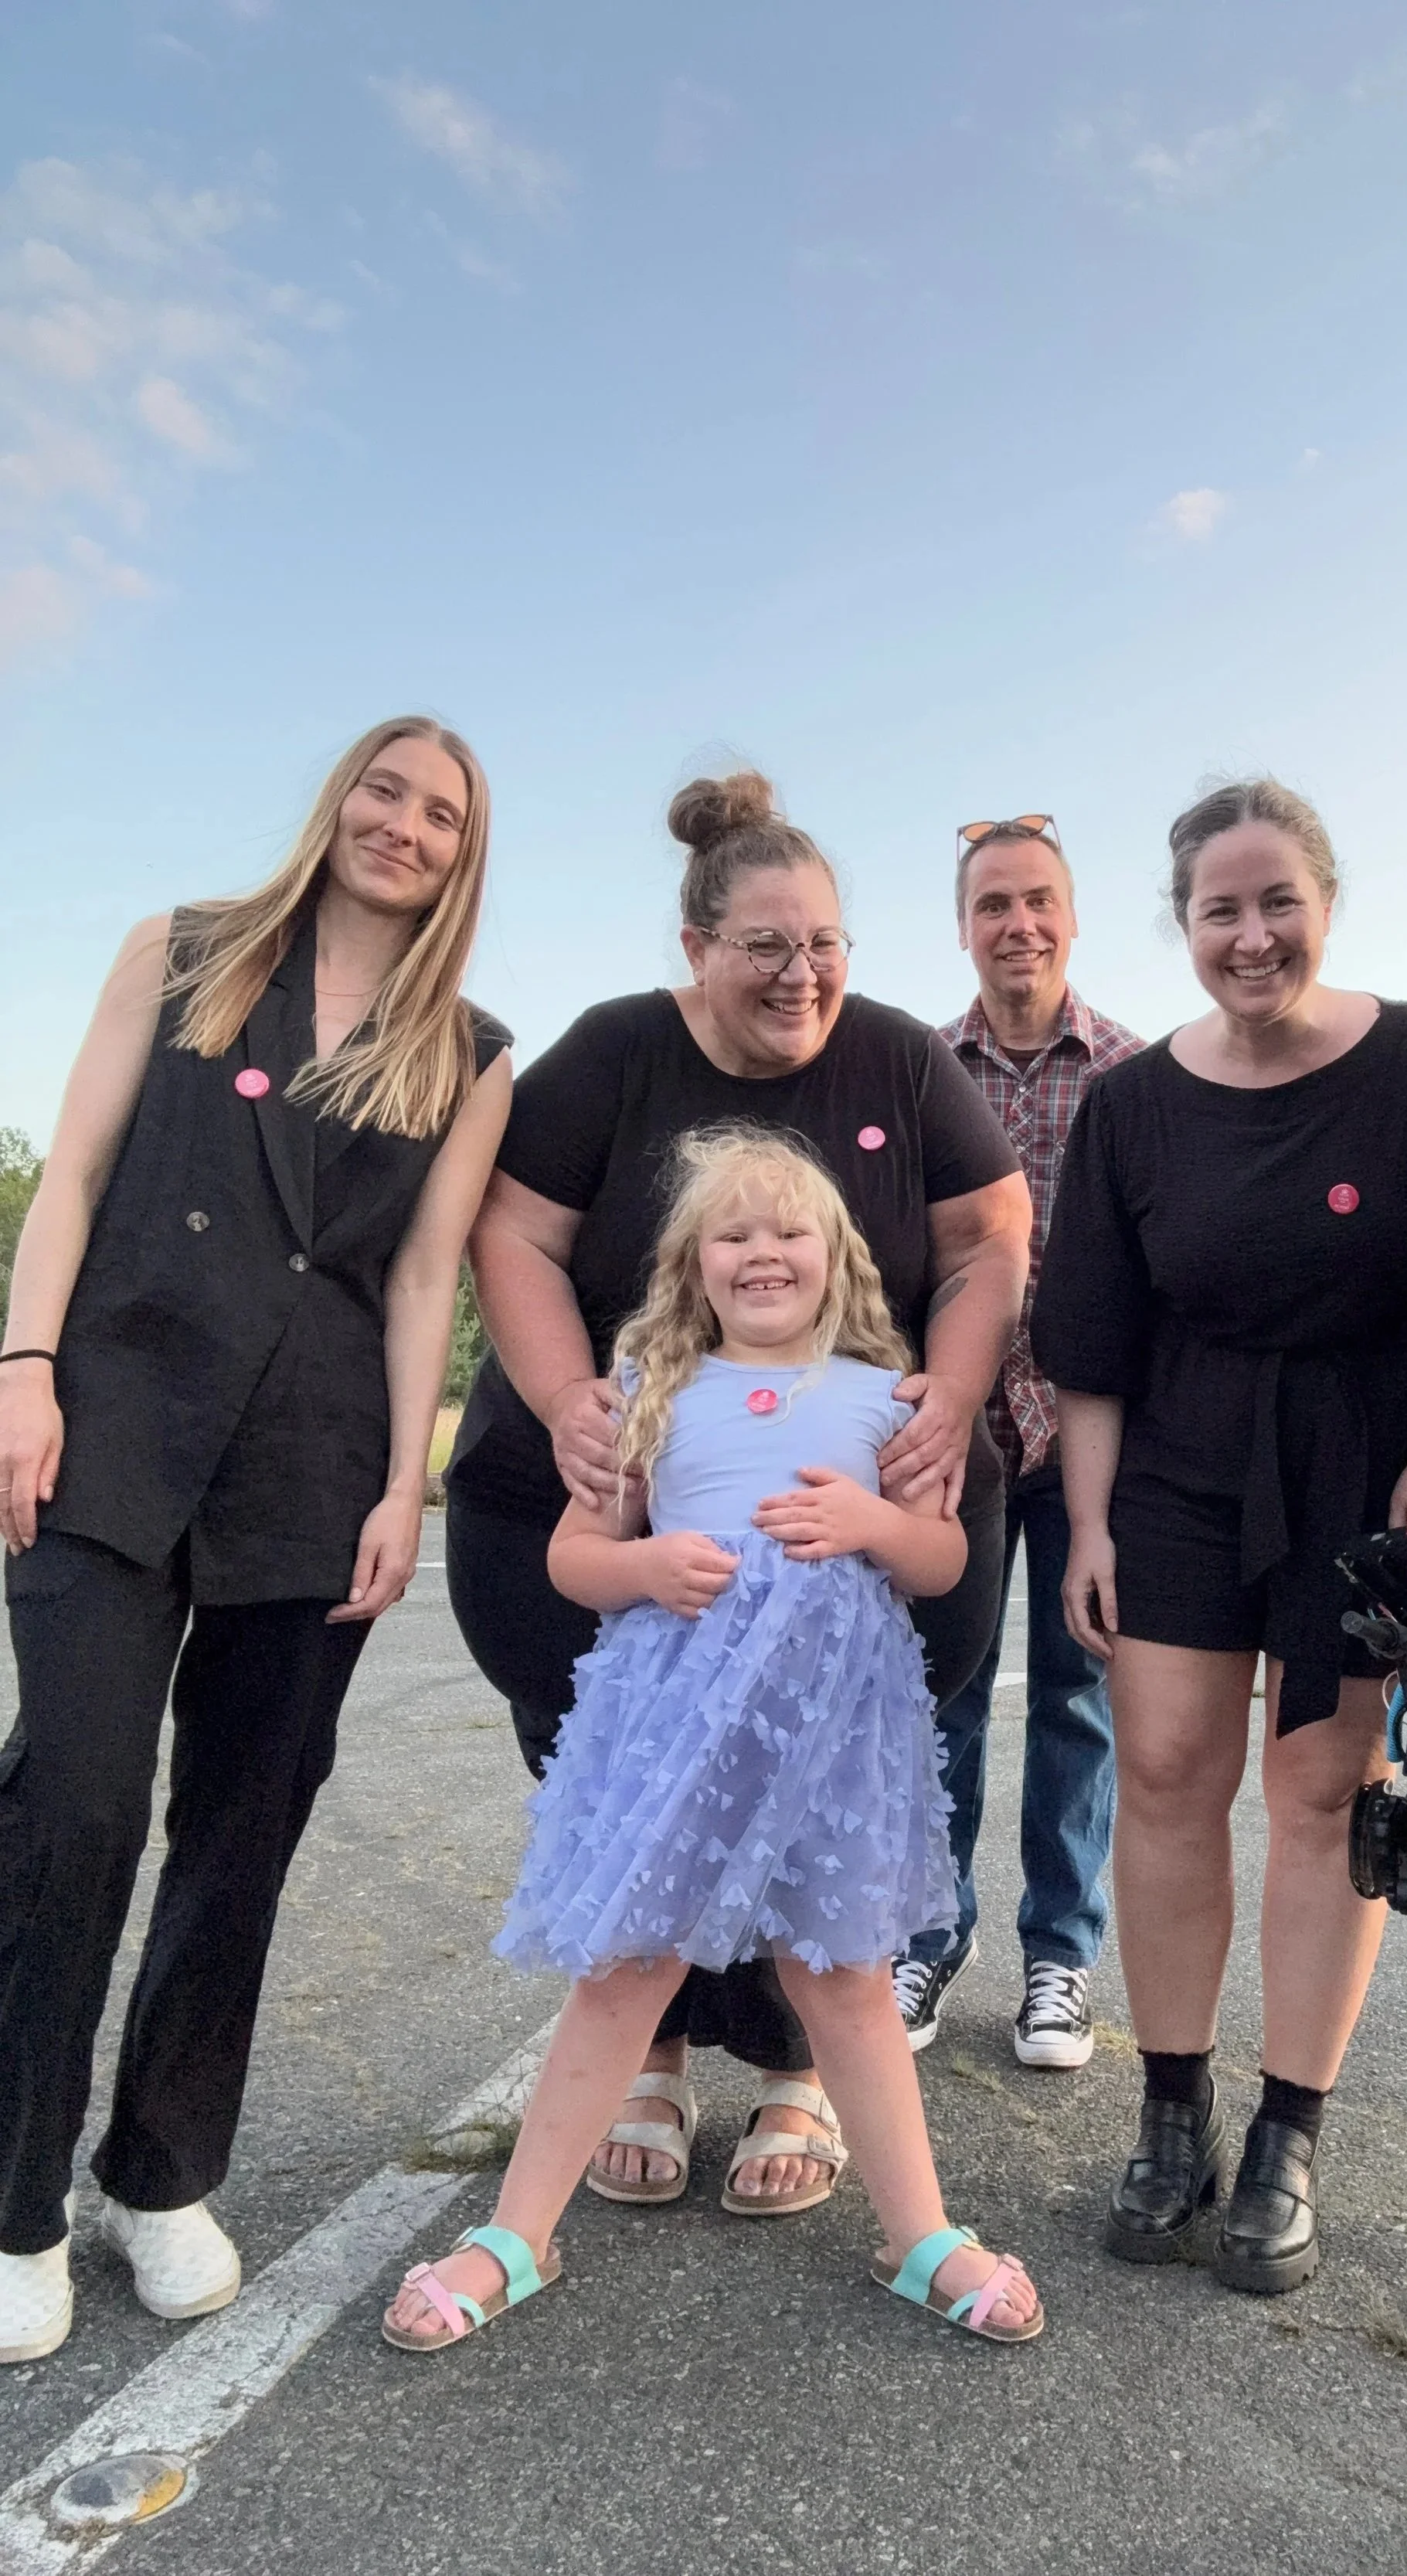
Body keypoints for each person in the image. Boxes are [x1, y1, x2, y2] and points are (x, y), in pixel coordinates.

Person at [444, 771, 1028, 2215]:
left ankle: (794, 2068)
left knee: (826, 1769)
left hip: (859, 1498)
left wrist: (948, 1397)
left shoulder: (897, 1059)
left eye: (825, 940)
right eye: (766, 944)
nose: (802, 971)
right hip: (607, 1482)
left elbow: (991, 1237)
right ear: (696, 946)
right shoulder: (610, 1053)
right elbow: (508, 1233)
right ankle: (649, 2044)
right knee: (628, 1766)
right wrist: (576, 1395)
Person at [0, 718, 511, 2364]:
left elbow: (427, 1277)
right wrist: (21, 1367)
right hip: (114, 1426)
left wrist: (399, 1486)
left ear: (465, 855)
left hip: (315, 1465)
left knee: (243, 1828)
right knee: (70, 1802)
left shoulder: (471, 1049)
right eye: (386, 789)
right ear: (337, 796)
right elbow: (68, 1175)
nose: (405, 827)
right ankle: (15, 2207)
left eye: (443, 814)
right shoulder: (188, 949)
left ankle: (161, 2171)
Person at [383, 1129, 1042, 2350]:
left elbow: (945, 1561)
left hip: (832, 1740)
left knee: (844, 1977)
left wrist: (867, 1523)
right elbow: (574, 1561)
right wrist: (639, 1564)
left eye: (788, 1231)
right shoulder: (650, 1391)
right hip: (670, 1727)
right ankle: (517, 2235)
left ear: (837, 1258)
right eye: (731, 1235)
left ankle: (922, 2236)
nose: (761, 1253)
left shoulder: (886, 1400)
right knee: (626, 1967)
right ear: (691, 1266)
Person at [1031, 778, 1407, 2297]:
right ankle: (1170, 2112)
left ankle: (1287, 2133)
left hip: (1369, 1469)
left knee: (1324, 1783)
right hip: (1176, 1464)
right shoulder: (1136, 1102)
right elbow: (1090, 1333)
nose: (1252, 931)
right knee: (1161, 1772)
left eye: (1278, 899)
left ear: (1325, 901)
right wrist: (1085, 1519)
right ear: (1186, 925)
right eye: (1222, 907)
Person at [896, 815, 1140, 2068]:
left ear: (1072, 914)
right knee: (937, 1697)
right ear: (963, 926)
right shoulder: (921, 1072)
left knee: (1077, 1697)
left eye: (1038, 900)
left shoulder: (1138, 1073)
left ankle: (1061, 1954)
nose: (1018, 925)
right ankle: (929, 1936)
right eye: (993, 904)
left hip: (1095, 1437)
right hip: (961, 1441)